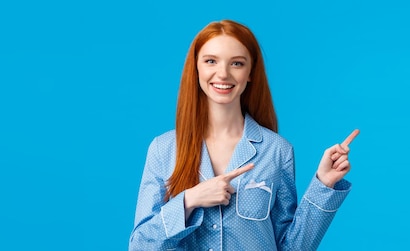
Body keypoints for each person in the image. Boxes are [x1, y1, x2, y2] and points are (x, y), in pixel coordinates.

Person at [129, 19, 358, 251]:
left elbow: (292, 247)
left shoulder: (277, 151)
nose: (223, 73)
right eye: (210, 61)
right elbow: (140, 245)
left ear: (250, 72)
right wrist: (190, 200)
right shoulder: (164, 149)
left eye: (237, 63)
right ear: (196, 68)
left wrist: (324, 184)